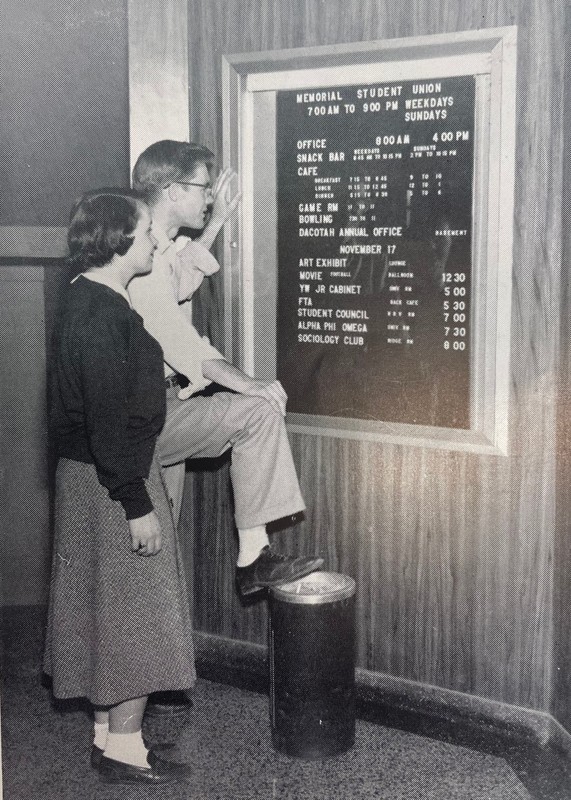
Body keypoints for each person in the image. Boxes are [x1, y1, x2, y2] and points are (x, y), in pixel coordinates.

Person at [43, 189, 193, 785]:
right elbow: (108, 415)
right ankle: (127, 749)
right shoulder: (104, 311)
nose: (156, 240)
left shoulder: (83, 300)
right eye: (146, 231)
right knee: (137, 608)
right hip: (115, 478)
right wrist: (136, 502)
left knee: (100, 609)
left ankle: (108, 738)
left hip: (86, 477)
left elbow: (97, 392)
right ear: (117, 241)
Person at [128, 140, 324, 596]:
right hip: (139, 417)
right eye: (202, 188)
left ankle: (248, 561)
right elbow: (171, 331)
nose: (209, 195)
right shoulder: (137, 249)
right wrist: (246, 382)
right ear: (174, 190)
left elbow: (176, 283)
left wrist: (214, 222)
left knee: (160, 549)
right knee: (256, 410)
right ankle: (253, 557)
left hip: (162, 404)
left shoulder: (153, 245)